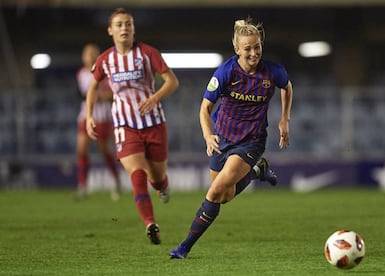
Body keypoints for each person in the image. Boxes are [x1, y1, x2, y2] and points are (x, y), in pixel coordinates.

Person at [170, 17, 293, 259]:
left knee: (214, 193)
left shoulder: (273, 71)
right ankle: (258, 172)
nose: (253, 53)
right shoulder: (226, 72)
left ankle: (184, 247)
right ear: (237, 49)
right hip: (222, 140)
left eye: (257, 46)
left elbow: (287, 87)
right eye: (247, 48)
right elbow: (204, 108)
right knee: (224, 196)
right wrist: (207, 135)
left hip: (251, 141)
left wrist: (284, 119)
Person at [85, 8, 179, 244]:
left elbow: (172, 81)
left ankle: (162, 185)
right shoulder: (105, 59)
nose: (124, 28)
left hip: (154, 122)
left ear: (133, 28)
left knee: (156, 179)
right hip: (125, 125)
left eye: (128, 24)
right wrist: (89, 116)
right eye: (119, 24)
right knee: (137, 174)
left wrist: (154, 98)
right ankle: (150, 224)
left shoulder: (147, 53)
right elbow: (93, 88)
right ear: (110, 31)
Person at [75, 43, 122, 201]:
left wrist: (101, 97)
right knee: (81, 149)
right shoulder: (81, 73)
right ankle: (82, 186)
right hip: (85, 115)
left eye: (93, 53)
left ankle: (115, 180)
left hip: (102, 116)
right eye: (87, 54)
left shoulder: (106, 73)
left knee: (104, 150)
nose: (90, 56)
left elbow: (112, 93)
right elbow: (84, 95)